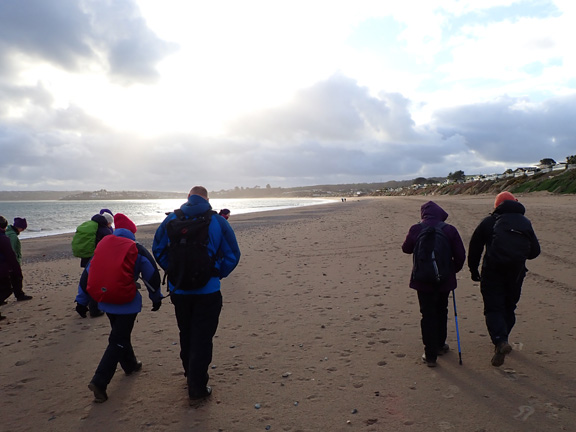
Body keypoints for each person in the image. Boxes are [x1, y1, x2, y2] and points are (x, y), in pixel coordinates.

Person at [153, 186, 241, 402]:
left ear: (188, 198)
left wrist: (175, 271)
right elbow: (233, 254)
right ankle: (197, 386)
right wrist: (216, 273)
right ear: (207, 199)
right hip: (208, 291)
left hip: (179, 290)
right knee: (203, 337)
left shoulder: (171, 219)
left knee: (186, 333)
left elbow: (158, 249)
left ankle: (189, 375)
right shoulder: (218, 221)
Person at [76, 213, 163, 403]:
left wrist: (81, 302)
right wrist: (156, 298)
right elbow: (151, 275)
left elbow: (86, 276)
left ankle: (130, 364)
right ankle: (100, 381)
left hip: (105, 300)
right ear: (132, 232)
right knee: (118, 339)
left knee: (119, 334)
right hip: (126, 302)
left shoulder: (103, 246)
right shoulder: (136, 249)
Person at [468, 191, 540, 367]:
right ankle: (504, 338)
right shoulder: (524, 223)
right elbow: (534, 252)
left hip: (492, 271)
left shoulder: (489, 222)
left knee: (493, 308)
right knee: (509, 306)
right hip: (516, 273)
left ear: (497, 205)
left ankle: (500, 341)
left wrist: (473, 270)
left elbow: (475, 247)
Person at [402, 201, 466, 367]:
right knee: (441, 310)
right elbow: (460, 255)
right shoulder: (449, 229)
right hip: (444, 280)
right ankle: (439, 345)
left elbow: (406, 248)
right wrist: (451, 271)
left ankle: (430, 355)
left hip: (422, 279)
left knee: (427, 314)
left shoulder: (416, 229)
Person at [3, 217, 33, 302]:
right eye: (23, 228)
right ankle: (19, 295)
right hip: (12, 262)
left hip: (6, 262)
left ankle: (16, 295)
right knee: (17, 279)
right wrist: (14, 262)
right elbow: (11, 250)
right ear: (20, 227)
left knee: (10, 280)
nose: (22, 230)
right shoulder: (12, 236)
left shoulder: (7, 232)